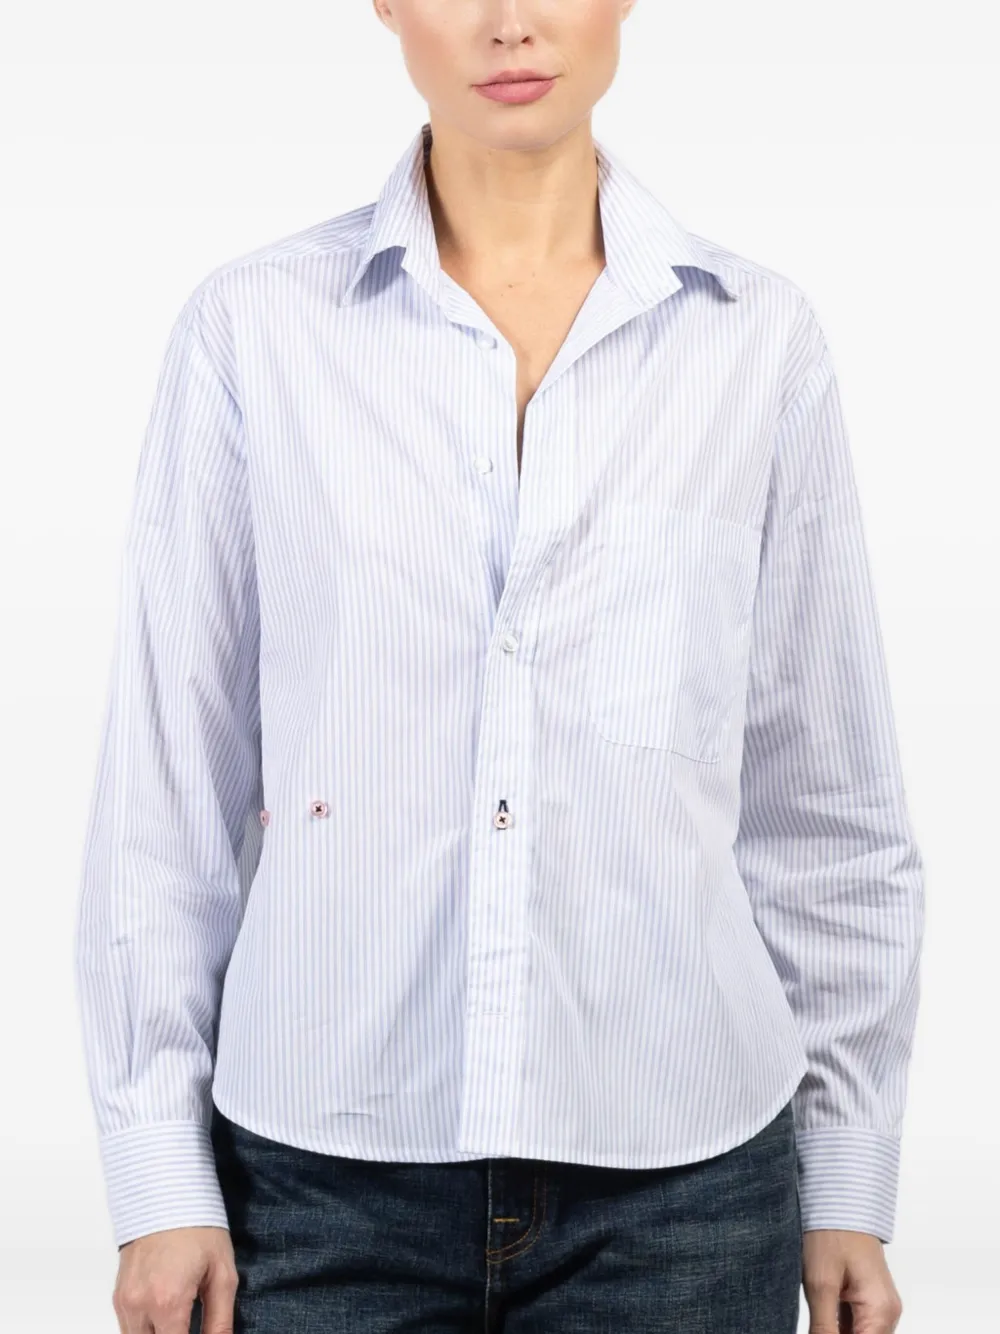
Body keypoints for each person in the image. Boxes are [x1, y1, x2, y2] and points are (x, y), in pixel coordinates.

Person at [73, 2, 924, 1332]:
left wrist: (849, 1175)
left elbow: (824, 801)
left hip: (687, 1190)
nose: (511, 22)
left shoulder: (757, 339)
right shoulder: (254, 329)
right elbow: (168, 783)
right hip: (319, 1179)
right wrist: (156, 1173)